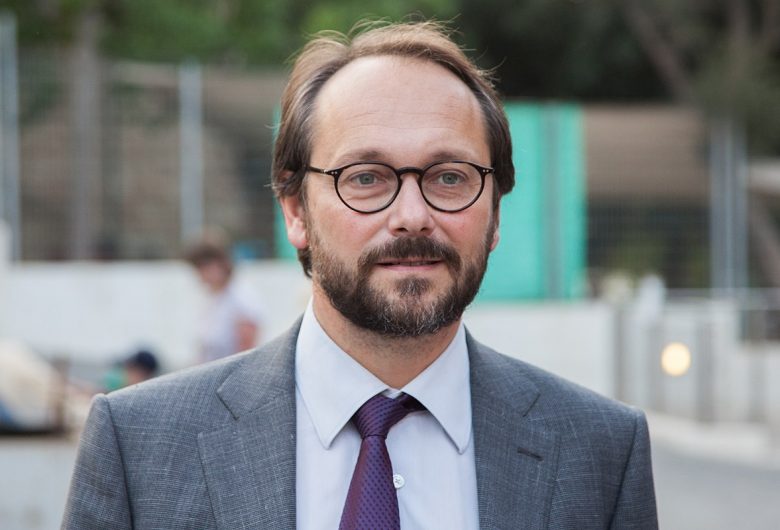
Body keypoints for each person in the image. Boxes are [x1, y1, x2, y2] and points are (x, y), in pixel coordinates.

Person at [63, 20, 657, 529]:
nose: (412, 215)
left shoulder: (601, 453)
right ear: (295, 212)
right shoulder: (139, 447)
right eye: (366, 178)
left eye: (450, 177)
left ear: (495, 214)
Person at [184, 235, 264, 362]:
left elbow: (245, 354)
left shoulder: (241, 298)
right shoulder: (212, 297)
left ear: (218, 265)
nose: (200, 276)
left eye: (203, 269)